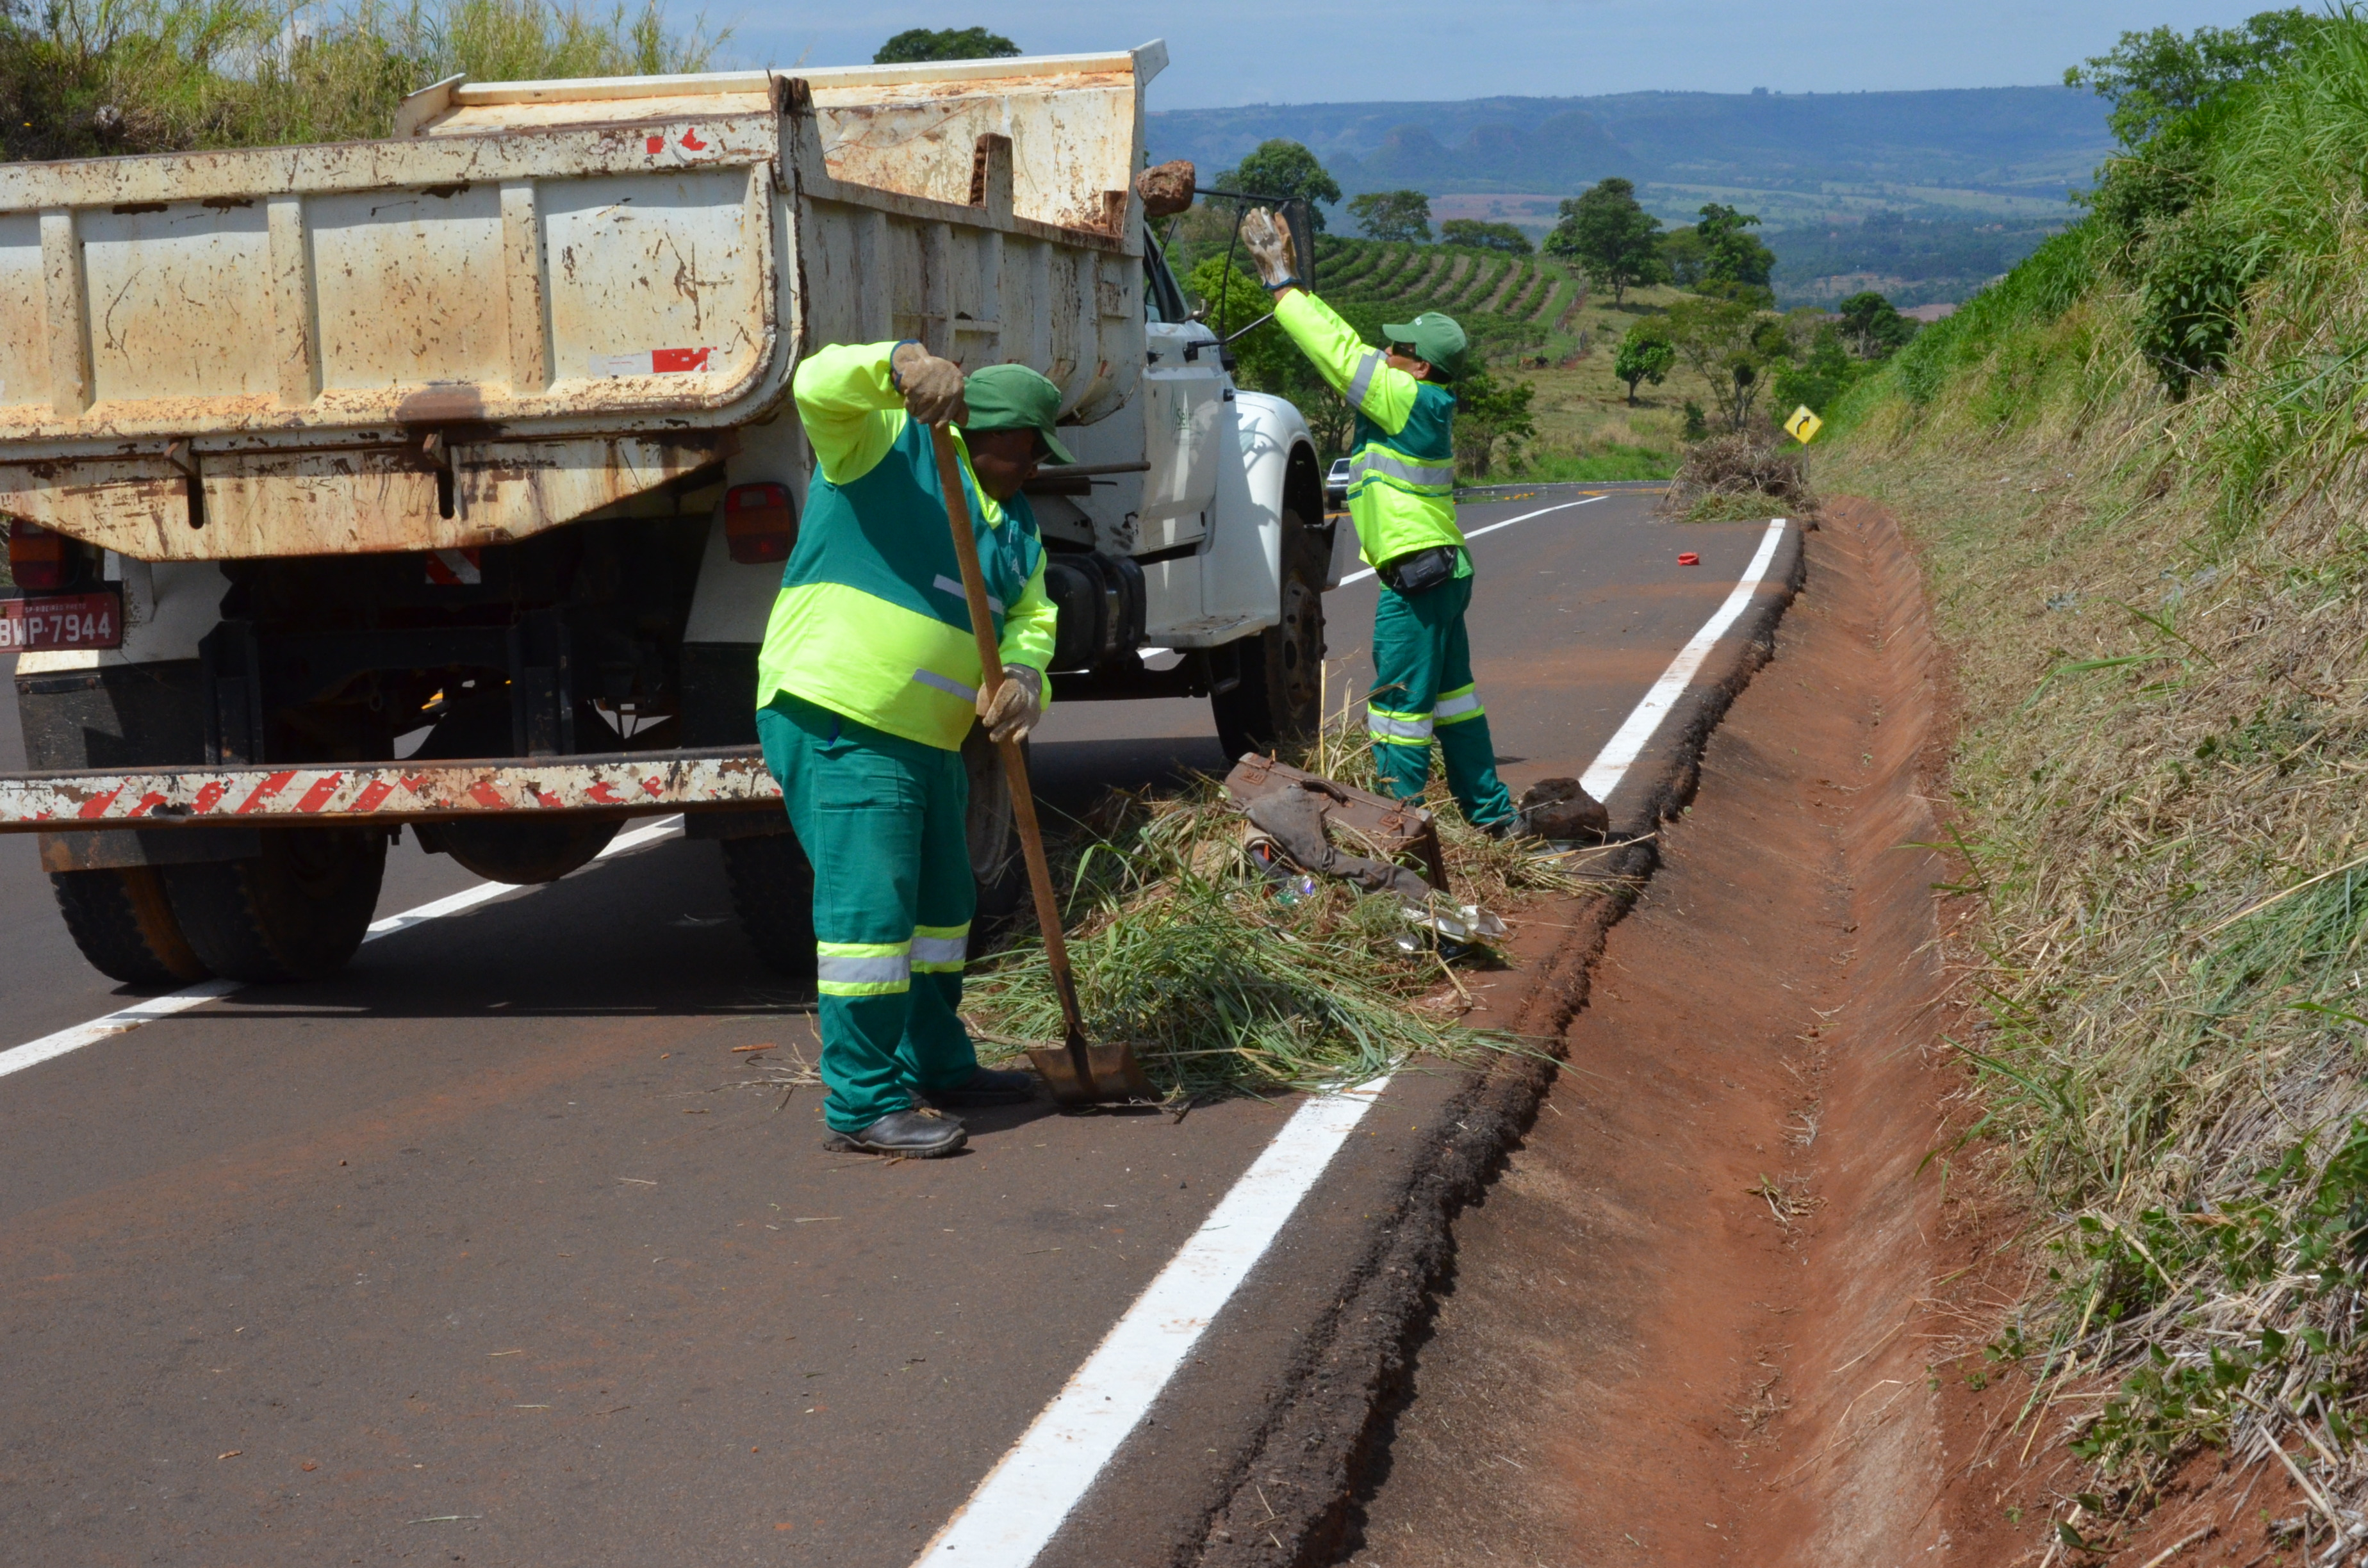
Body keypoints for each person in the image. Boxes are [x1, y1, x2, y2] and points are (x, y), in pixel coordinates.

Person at [755, 339, 1067, 1157]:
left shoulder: (1018, 529)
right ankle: (862, 1101)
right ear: (985, 429)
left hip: (933, 738)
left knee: (941, 909)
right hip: (843, 714)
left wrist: (1028, 676)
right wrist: (897, 360)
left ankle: (935, 1059)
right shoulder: (887, 445)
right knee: (871, 921)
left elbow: (1032, 615)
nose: (1032, 465)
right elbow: (816, 386)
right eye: (1025, 447)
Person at [1238, 208, 1517, 834]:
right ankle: (1494, 819)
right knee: (1454, 704)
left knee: (1398, 711)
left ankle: (1397, 826)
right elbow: (1354, 351)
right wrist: (1300, 289)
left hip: (1416, 577)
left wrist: (1282, 286)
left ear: (1420, 366)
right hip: (1442, 570)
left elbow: (1339, 354)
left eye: (1398, 349)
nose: (1384, 353)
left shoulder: (1406, 397)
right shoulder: (1422, 401)